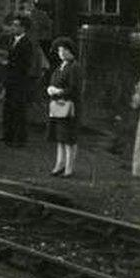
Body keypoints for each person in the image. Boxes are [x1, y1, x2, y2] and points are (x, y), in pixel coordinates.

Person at [46, 37, 81, 177]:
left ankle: (69, 168)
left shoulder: (74, 67)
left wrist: (58, 91)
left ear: (70, 51)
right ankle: (59, 164)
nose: (61, 53)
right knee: (60, 137)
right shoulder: (61, 66)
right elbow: (53, 81)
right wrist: (50, 89)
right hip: (58, 106)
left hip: (70, 107)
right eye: (60, 50)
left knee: (69, 139)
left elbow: (74, 89)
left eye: (64, 50)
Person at [2, 15, 34, 147]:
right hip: (11, 79)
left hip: (19, 80)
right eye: (13, 25)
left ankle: (19, 139)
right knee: (8, 107)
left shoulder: (26, 43)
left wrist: (9, 63)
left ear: (23, 28)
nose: (13, 28)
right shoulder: (12, 40)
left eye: (16, 25)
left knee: (18, 109)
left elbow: (25, 64)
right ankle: (8, 135)